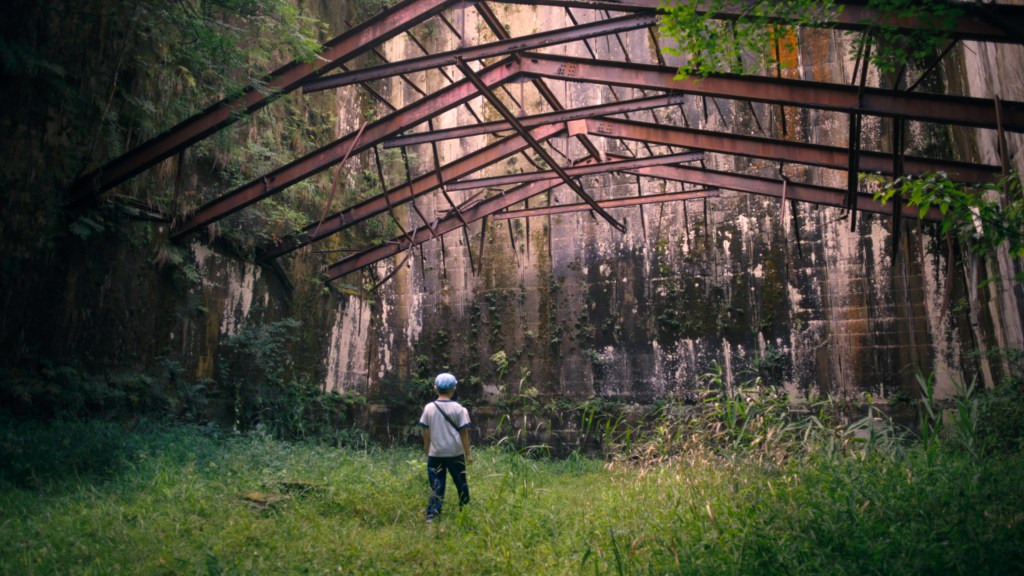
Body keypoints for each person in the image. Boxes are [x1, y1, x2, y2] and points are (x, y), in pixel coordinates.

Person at [418, 372, 472, 523]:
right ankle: (465, 510)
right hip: (455, 453)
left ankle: (432, 516)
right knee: (461, 483)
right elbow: (464, 433)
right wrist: (468, 454)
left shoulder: (429, 408)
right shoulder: (459, 408)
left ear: (435, 388)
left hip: (435, 454)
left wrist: (427, 451)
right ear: (453, 389)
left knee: (437, 486)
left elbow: (426, 433)